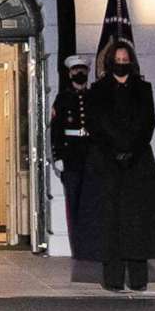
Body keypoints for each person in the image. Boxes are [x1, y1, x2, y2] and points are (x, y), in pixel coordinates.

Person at [82, 38, 155, 292]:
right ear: (110, 62)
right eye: (117, 60)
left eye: (125, 60)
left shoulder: (143, 89)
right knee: (112, 220)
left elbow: (148, 122)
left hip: (138, 162)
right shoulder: (97, 90)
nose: (121, 64)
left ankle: (139, 278)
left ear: (131, 62)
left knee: (137, 220)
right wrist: (115, 150)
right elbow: (95, 123)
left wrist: (131, 149)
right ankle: (113, 278)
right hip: (108, 162)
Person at [51, 53, 95, 258]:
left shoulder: (94, 96)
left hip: (92, 157)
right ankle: (78, 248)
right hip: (71, 158)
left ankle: (92, 246)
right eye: (76, 71)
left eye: (82, 70)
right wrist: (57, 156)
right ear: (70, 74)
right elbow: (56, 129)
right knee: (74, 205)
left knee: (92, 204)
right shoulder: (63, 98)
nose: (79, 73)